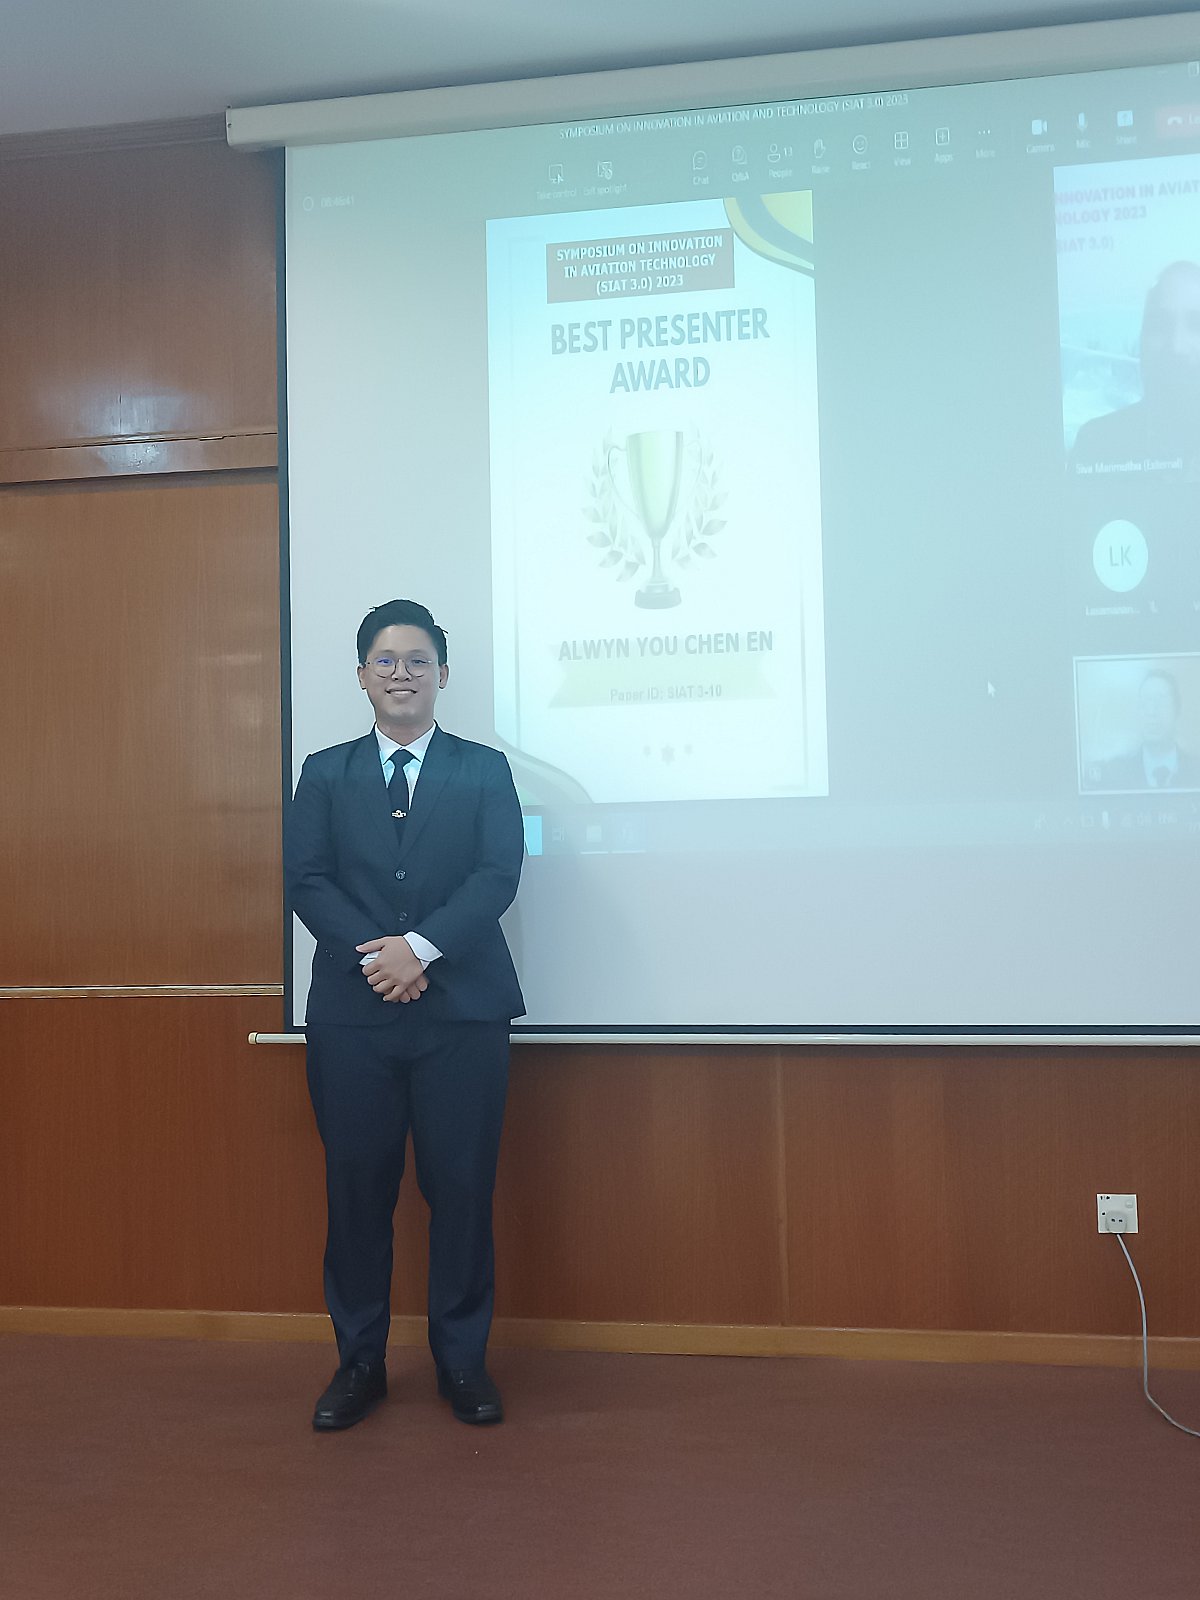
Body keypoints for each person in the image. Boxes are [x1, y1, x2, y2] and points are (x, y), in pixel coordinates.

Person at [285, 598, 525, 1430]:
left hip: (463, 1016)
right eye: (384, 661)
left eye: (418, 661)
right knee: (357, 1192)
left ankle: (462, 1361)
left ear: (442, 675)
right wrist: (380, 957)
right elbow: (307, 879)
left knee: (461, 1190)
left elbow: (497, 875)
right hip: (354, 1019)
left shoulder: (484, 769)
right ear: (362, 675)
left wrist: (419, 949)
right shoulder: (324, 772)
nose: (401, 674)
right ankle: (359, 1364)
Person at [1071, 261, 1200, 473]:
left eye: (1196, 325)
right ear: (1141, 342)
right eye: (1160, 325)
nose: (1176, 347)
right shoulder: (1096, 444)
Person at [1090, 668, 1200, 792]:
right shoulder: (1114, 773)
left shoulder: (1196, 770)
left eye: (1161, 702)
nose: (1152, 712)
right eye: (1145, 703)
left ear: (1177, 710)